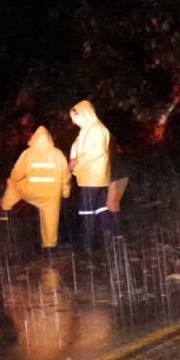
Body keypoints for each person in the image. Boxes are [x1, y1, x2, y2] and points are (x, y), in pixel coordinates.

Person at [0, 126, 71, 249]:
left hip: (32, 190)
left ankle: (4, 207)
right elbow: (66, 176)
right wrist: (65, 192)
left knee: (14, 186)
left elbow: (17, 172)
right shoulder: (58, 154)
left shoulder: (28, 153)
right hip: (51, 194)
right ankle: (49, 245)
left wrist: (11, 181)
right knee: (50, 219)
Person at [68, 100, 113, 249]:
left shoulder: (96, 130)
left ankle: (87, 244)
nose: (74, 121)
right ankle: (108, 241)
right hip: (94, 177)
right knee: (101, 208)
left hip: (91, 177)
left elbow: (96, 152)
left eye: (76, 116)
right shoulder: (88, 130)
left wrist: (76, 162)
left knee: (86, 210)